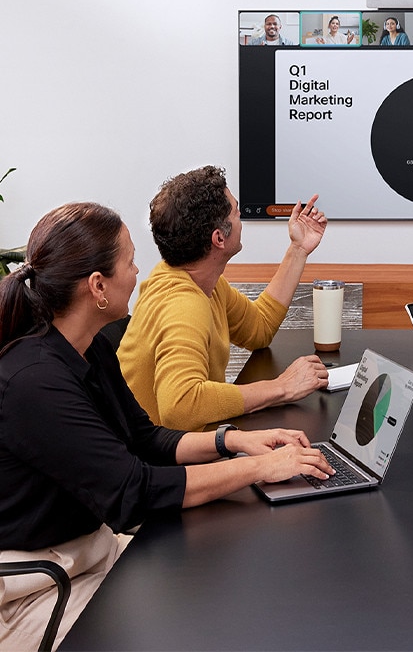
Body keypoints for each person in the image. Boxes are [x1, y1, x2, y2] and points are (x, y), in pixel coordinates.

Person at [0, 203, 334, 649]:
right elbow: (132, 492)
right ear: (97, 286)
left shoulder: (88, 347)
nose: (139, 273)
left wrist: (234, 440)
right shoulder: (34, 382)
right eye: (130, 262)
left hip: (91, 551)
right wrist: (259, 468)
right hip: (38, 585)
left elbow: (144, 437)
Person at [119, 166, 330, 432]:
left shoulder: (201, 282)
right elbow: (180, 407)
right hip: (158, 464)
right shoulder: (183, 305)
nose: (240, 216)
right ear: (219, 238)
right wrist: (281, 388)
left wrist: (298, 249)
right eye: (235, 211)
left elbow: (259, 328)